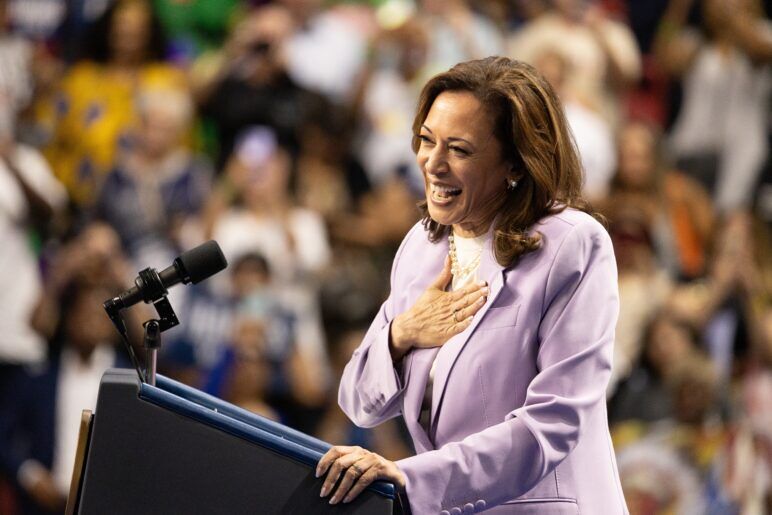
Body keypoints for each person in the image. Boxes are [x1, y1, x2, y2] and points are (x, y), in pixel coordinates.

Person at [317, 57, 628, 514]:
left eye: (459, 149)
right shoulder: (423, 246)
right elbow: (359, 402)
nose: (433, 164)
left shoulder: (572, 245)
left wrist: (413, 476)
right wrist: (402, 335)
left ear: (516, 164)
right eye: (426, 141)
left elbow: (555, 422)